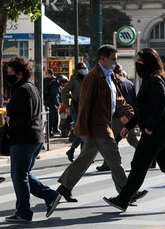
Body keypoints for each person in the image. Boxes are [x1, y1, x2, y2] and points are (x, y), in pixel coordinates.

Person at [103, 48, 165, 212]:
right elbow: (142, 111)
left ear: (149, 63)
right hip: (162, 131)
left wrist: (150, 128)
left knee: (139, 164)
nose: (137, 63)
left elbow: (161, 105)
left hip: (156, 131)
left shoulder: (153, 81)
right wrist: (128, 127)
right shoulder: (153, 79)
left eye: (140, 60)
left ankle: (123, 199)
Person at [56, 44, 147, 203]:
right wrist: (82, 129)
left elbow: (120, 101)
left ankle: (64, 187)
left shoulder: (110, 75)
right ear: (102, 59)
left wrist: (135, 117)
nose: (115, 63)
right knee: (114, 158)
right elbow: (84, 104)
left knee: (85, 158)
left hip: (105, 122)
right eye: (113, 60)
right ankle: (127, 193)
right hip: (98, 125)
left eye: (116, 60)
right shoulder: (92, 77)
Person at [4, 57, 62, 223]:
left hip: (24, 139)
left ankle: (23, 212)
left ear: (20, 74)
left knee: (19, 177)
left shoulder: (22, 90)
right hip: (34, 137)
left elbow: (25, 117)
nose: (8, 76)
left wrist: (10, 131)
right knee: (23, 175)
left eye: (10, 73)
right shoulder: (31, 87)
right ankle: (51, 196)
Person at [96, 63, 141, 172]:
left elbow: (115, 101)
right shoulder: (129, 83)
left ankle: (109, 163)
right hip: (129, 116)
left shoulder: (113, 82)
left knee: (111, 141)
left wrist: (121, 115)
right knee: (132, 140)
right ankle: (150, 158)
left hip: (117, 117)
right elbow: (134, 102)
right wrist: (132, 117)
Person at [62, 62, 88, 162]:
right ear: (78, 70)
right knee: (82, 130)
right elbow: (64, 91)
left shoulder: (87, 78)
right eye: (83, 68)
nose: (85, 69)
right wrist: (67, 106)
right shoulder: (74, 80)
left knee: (83, 130)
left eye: (85, 67)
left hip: (85, 108)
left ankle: (82, 153)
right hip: (76, 108)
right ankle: (72, 150)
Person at [44, 69, 60, 136]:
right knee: (54, 116)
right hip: (52, 102)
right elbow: (55, 94)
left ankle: (49, 131)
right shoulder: (54, 82)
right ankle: (54, 130)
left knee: (49, 117)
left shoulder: (46, 80)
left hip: (48, 101)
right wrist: (57, 103)